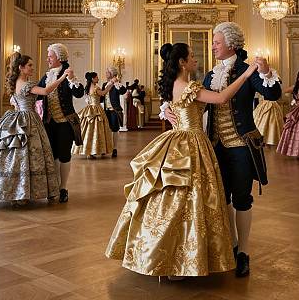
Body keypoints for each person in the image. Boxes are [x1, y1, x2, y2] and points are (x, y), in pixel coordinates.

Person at [106, 42, 259, 278]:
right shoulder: (190, 86)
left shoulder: (175, 86)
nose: (196, 59)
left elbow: (177, 106)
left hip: (178, 140)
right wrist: (247, 73)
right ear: (182, 62)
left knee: (176, 199)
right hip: (192, 142)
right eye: (192, 57)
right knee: (192, 198)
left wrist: (166, 109)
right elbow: (221, 98)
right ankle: (183, 257)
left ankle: (168, 255)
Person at [201, 22, 281, 277]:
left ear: (231, 44)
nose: (212, 45)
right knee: (222, 199)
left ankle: (244, 251)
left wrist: (267, 72)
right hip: (215, 147)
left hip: (241, 147)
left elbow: (273, 94)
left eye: (216, 42)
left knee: (242, 199)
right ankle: (233, 244)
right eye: (213, 42)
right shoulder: (210, 74)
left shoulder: (249, 70)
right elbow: (199, 105)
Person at [0, 53, 64, 203]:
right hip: (28, 119)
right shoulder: (27, 85)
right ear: (21, 68)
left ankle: (17, 192)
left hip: (19, 117)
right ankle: (23, 193)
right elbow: (46, 91)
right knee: (29, 154)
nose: (32, 68)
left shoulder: (15, 84)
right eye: (30, 66)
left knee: (18, 155)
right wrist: (62, 78)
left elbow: (15, 102)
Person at [38, 43, 84, 203]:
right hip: (49, 123)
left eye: (50, 56)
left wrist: (71, 79)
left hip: (65, 122)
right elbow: (37, 93)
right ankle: (54, 186)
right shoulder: (46, 75)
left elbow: (79, 93)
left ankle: (63, 188)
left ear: (59, 57)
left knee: (64, 155)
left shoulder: (67, 72)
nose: (47, 59)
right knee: (53, 155)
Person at [72, 72, 114, 158]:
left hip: (89, 109)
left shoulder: (87, 88)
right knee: (98, 130)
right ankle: (99, 150)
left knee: (88, 130)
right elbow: (103, 93)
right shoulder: (95, 87)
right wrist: (110, 85)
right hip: (96, 109)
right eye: (97, 77)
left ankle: (89, 151)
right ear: (92, 79)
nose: (98, 79)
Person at [101, 67, 127, 158]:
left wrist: (116, 83)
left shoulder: (116, 84)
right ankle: (105, 148)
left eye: (107, 72)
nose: (105, 73)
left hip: (114, 110)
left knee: (115, 129)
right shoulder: (104, 84)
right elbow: (101, 98)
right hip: (106, 110)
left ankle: (114, 149)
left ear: (111, 74)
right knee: (105, 130)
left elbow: (123, 91)